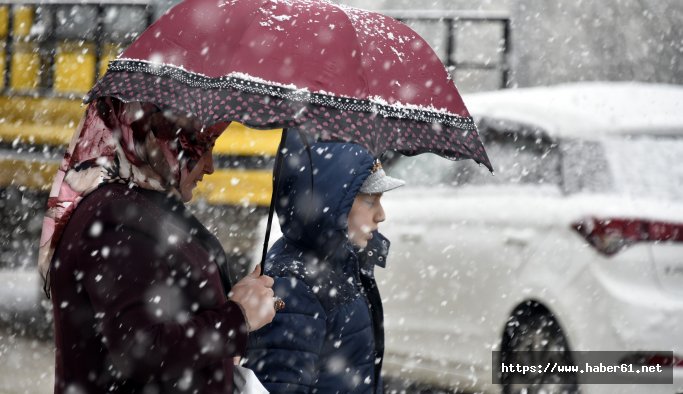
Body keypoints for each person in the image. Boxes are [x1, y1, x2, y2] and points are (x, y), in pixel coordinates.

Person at [38, 97, 277, 394]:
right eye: (202, 146)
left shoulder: (143, 204)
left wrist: (235, 306)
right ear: (159, 137)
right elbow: (139, 349)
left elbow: (173, 313)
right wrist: (236, 319)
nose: (210, 166)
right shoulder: (113, 220)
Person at [244, 131, 405, 393]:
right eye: (369, 201)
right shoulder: (295, 285)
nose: (381, 215)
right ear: (332, 205)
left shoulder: (342, 266)